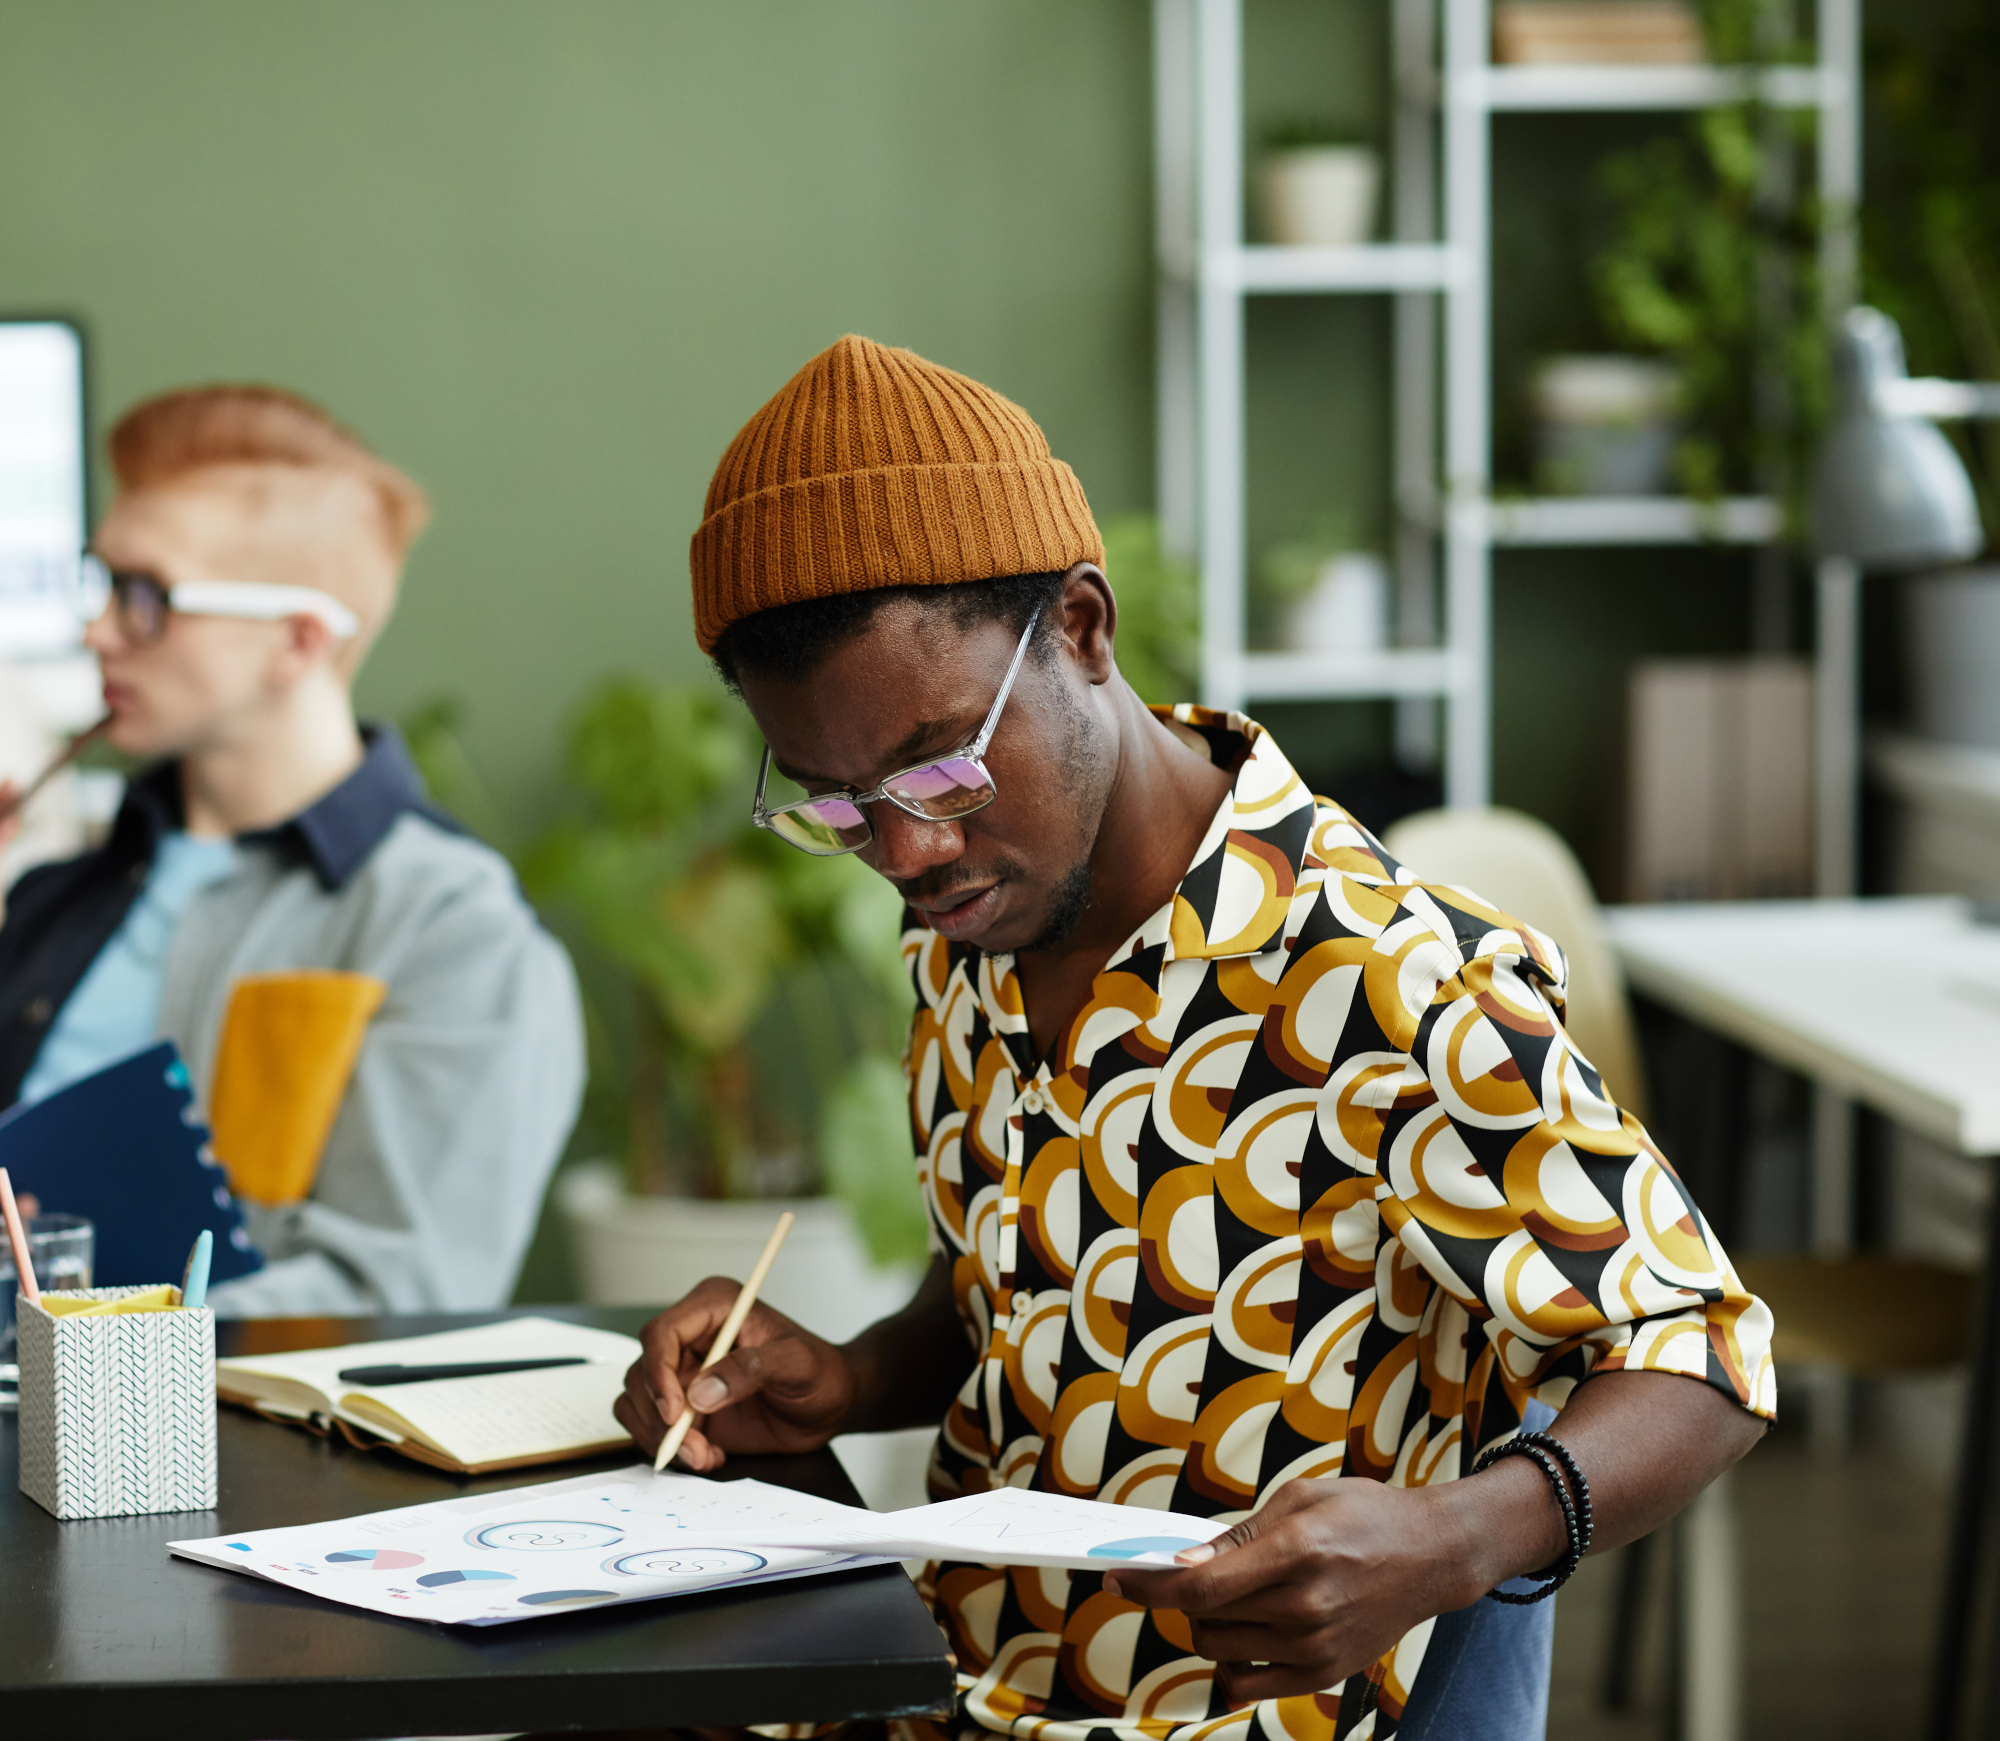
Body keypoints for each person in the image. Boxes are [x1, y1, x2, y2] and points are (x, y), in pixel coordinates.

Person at [613, 336, 1774, 1741]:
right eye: (838, 803)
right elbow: (1021, 1289)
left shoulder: (1385, 974)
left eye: (941, 766)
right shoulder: (977, 930)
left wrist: (1456, 1540)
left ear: (1086, 629)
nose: (907, 848)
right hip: (948, 1688)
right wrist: (848, 1378)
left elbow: (1703, 1350)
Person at [0, 385, 584, 1315]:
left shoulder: (452, 930)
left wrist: (71, 1323)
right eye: (100, 580)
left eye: (146, 594)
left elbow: (395, 1291)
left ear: (299, 638)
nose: (98, 628)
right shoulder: (50, 890)